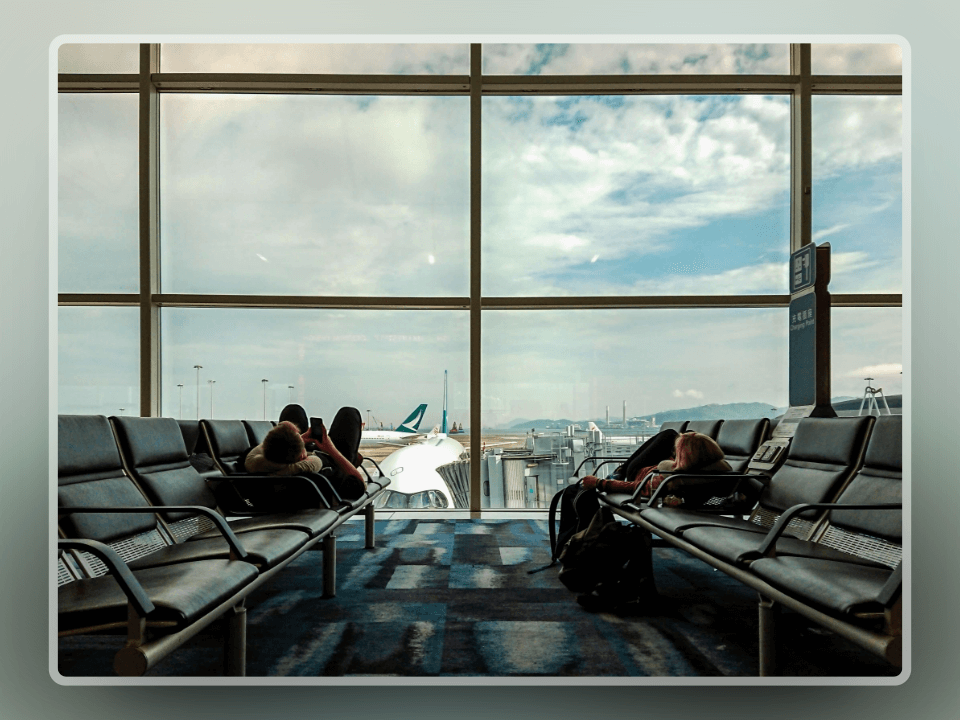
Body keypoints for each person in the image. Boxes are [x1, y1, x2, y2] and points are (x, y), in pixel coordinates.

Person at [581, 430, 731, 507]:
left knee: (669, 435)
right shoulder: (717, 469)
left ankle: (621, 470)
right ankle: (621, 470)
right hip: (662, 467)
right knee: (686, 435)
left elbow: (635, 486)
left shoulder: (670, 479)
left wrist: (600, 483)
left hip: (637, 472)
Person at [246, 407, 367, 500]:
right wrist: (331, 450)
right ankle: (354, 459)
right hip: (336, 461)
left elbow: (252, 455)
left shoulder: (256, 465)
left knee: (293, 410)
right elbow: (360, 485)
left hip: (294, 457)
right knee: (348, 413)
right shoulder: (320, 479)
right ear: (301, 456)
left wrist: (296, 439)